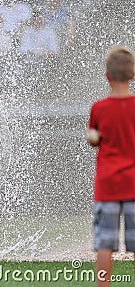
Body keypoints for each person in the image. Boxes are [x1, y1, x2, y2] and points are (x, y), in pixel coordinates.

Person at [85, 46, 135, 287]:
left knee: (105, 244)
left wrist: (93, 137)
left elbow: (94, 138)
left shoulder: (99, 108)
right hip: (134, 183)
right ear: (133, 75)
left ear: (107, 76)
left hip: (107, 186)